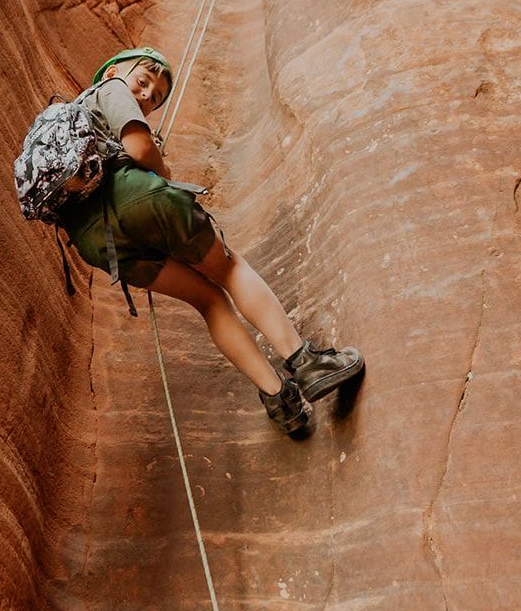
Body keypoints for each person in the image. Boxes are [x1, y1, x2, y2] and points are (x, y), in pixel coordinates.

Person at [57, 46, 364, 435]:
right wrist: (161, 169)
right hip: (134, 196)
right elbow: (138, 148)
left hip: (97, 241)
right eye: (143, 81)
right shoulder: (112, 88)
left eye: (154, 98)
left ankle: (280, 401)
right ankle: (308, 364)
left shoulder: (73, 130)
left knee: (208, 300)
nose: (145, 96)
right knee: (230, 268)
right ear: (112, 70)